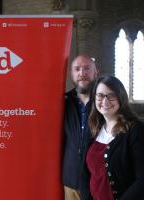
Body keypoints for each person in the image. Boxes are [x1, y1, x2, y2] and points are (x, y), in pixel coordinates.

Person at [87, 75, 144, 200]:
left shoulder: (136, 130)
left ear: (121, 98)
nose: (105, 101)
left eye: (111, 95)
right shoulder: (94, 128)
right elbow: (88, 173)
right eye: (100, 95)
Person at [62, 55, 98, 200]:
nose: (82, 73)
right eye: (77, 69)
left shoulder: (105, 102)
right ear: (71, 74)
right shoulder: (63, 102)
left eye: (87, 68)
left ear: (96, 72)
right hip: (71, 179)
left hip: (98, 179)